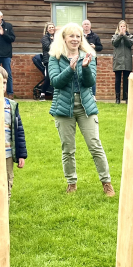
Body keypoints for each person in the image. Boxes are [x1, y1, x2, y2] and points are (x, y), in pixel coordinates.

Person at [47, 22, 114, 197]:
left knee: (95, 145)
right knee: (68, 149)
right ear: (64, 38)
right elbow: (55, 82)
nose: (75, 39)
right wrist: (70, 69)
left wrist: (84, 68)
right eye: (71, 36)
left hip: (86, 107)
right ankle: (71, 183)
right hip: (63, 108)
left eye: (78, 36)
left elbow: (89, 83)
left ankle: (106, 183)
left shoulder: (89, 55)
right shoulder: (55, 57)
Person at [0, 65, 26, 201]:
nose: (2, 86)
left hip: (7, 154)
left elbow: (18, 131)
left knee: (6, 184)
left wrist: (21, 154)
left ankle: (3, 219)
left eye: (4, 83)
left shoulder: (11, 105)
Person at [111, 20, 133, 104]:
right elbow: (115, 43)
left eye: (124, 26)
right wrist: (120, 36)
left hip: (127, 61)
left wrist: (124, 36)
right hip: (118, 61)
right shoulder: (114, 36)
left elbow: (129, 44)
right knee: (117, 80)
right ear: (118, 28)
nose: (122, 28)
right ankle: (117, 99)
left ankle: (127, 97)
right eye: (121, 26)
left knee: (126, 80)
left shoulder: (130, 36)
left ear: (126, 27)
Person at [32, 22, 55, 101]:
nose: (52, 29)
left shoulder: (56, 37)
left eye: (52, 27)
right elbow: (48, 47)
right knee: (48, 78)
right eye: (50, 28)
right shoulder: (45, 38)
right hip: (48, 60)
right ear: (47, 30)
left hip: (56, 60)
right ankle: (42, 94)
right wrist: (53, 41)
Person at [82, 19, 104, 95]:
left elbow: (100, 47)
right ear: (82, 26)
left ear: (90, 26)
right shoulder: (79, 35)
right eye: (85, 24)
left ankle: (93, 95)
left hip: (92, 59)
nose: (86, 25)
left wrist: (94, 47)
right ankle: (84, 94)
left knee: (92, 77)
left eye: (88, 24)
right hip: (81, 58)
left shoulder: (95, 36)